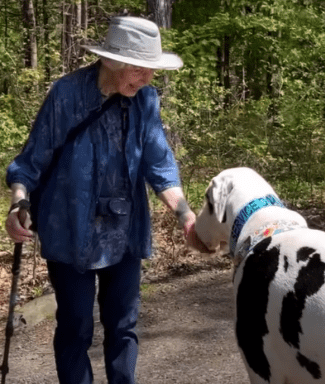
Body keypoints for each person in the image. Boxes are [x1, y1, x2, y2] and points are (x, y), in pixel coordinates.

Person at [4, 16, 208, 383]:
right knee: (75, 328)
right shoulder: (66, 95)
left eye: (151, 71)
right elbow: (28, 164)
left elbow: (160, 166)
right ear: (112, 61)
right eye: (139, 69)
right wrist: (19, 204)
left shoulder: (146, 101)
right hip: (69, 231)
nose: (148, 78)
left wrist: (185, 214)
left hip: (125, 232)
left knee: (124, 327)